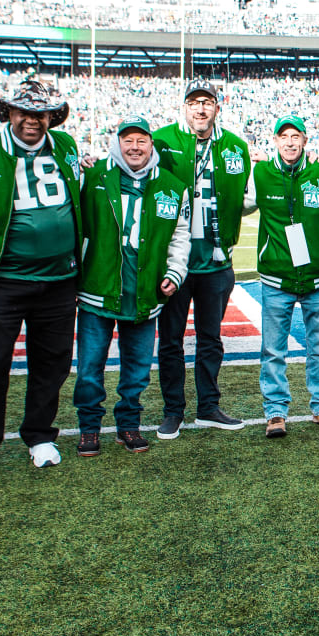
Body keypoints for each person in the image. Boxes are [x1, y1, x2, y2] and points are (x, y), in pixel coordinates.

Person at [0, 80, 81, 481]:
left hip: (60, 279)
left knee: (52, 362)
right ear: (8, 113)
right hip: (4, 280)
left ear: (51, 116)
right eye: (24, 111)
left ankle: (40, 435)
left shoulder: (65, 145)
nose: (32, 119)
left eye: (40, 112)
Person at [73, 117, 190, 457]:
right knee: (90, 368)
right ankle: (89, 427)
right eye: (128, 140)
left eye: (141, 140)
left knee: (137, 370)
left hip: (144, 291)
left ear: (152, 144)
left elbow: (179, 237)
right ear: (117, 143)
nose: (135, 147)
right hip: (98, 287)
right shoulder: (92, 177)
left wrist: (174, 272)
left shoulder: (171, 185)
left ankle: (128, 424)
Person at [152, 78, 252, 440]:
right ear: (184, 107)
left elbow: (246, 197)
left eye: (207, 102)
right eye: (194, 101)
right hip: (174, 263)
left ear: (217, 107)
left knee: (211, 339)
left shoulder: (235, 146)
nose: (200, 108)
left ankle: (208, 405)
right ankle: (172, 410)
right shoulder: (162, 140)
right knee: (170, 340)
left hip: (216, 261)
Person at [247, 115, 319, 438]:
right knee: (273, 348)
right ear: (274, 140)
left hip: (318, 277)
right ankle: (275, 412)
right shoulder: (260, 172)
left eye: (295, 136)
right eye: (283, 136)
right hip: (276, 277)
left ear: (305, 141)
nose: (289, 142)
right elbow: (239, 204)